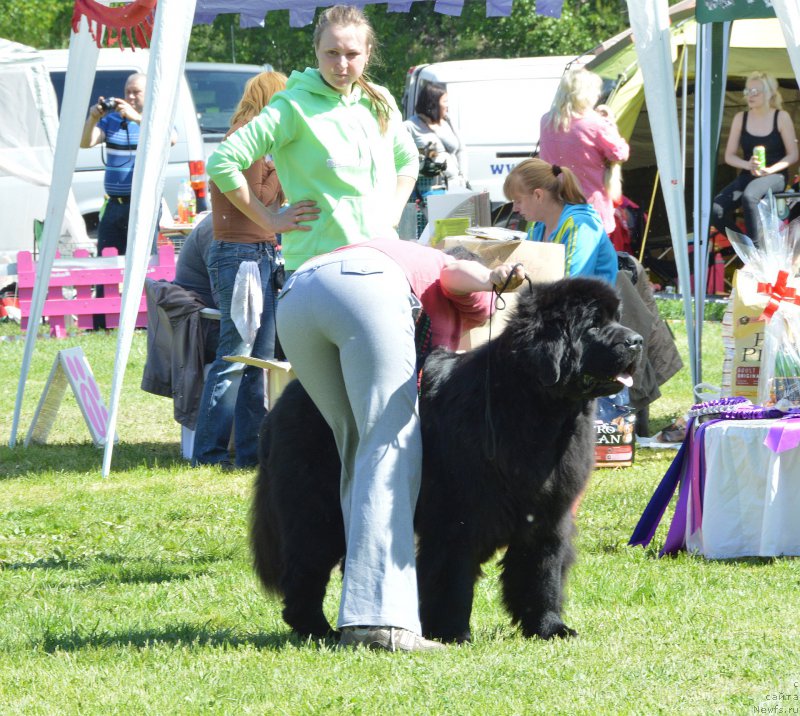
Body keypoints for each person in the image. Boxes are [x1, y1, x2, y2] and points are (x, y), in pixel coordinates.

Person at [276, 237, 525, 651]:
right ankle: (381, 625)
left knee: (355, 448)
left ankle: (356, 606)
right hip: (364, 290)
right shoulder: (449, 277)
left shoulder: (401, 255)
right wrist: (491, 277)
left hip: (297, 295)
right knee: (390, 448)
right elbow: (454, 274)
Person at [206, 4, 419, 273]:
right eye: (332, 53)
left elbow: (408, 159)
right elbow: (222, 162)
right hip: (318, 266)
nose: (342, 64)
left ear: (368, 53)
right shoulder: (291, 107)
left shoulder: (380, 100)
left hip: (382, 258)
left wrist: (394, 212)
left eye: (352, 54)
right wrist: (270, 221)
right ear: (316, 50)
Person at [192, 71, 288, 469]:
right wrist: (282, 165)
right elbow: (262, 199)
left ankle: (251, 453)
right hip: (240, 254)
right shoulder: (246, 138)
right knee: (236, 356)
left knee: (258, 361)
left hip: (256, 253)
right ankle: (211, 454)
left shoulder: (254, 140)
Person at [80, 72, 176, 256]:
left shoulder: (157, 118)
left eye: (136, 92)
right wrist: (93, 118)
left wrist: (137, 118)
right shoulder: (111, 120)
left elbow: (170, 139)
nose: (130, 97)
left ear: (149, 94)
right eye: (127, 92)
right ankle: (104, 287)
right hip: (114, 203)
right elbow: (85, 143)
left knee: (144, 259)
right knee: (106, 260)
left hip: (143, 203)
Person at [538, 68, 629, 237]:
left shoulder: (546, 121)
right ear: (585, 94)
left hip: (553, 204)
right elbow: (619, 153)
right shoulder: (595, 124)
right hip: (588, 205)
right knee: (590, 258)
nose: (597, 96)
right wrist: (610, 124)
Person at [711, 71, 798, 245]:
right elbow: (729, 156)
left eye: (755, 91)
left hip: (776, 175)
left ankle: (758, 250)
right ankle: (748, 248)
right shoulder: (740, 118)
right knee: (714, 210)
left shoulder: (780, 117)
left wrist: (770, 169)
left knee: (750, 196)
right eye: (747, 91)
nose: (750, 96)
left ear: (769, 93)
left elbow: (793, 154)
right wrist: (747, 164)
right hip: (749, 173)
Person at [504, 157, 618, 284]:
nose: (515, 208)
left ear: (538, 195)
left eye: (518, 201)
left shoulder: (580, 226)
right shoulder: (538, 228)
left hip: (586, 302)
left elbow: (572, 286)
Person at [404, 81, 468, 191]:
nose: (447, 105)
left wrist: (464, 178)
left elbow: (461, 150)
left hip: (456, 185)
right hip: (429, 191)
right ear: (432, 104)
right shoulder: (409, 127)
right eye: (445, 101)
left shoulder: (447, 121)